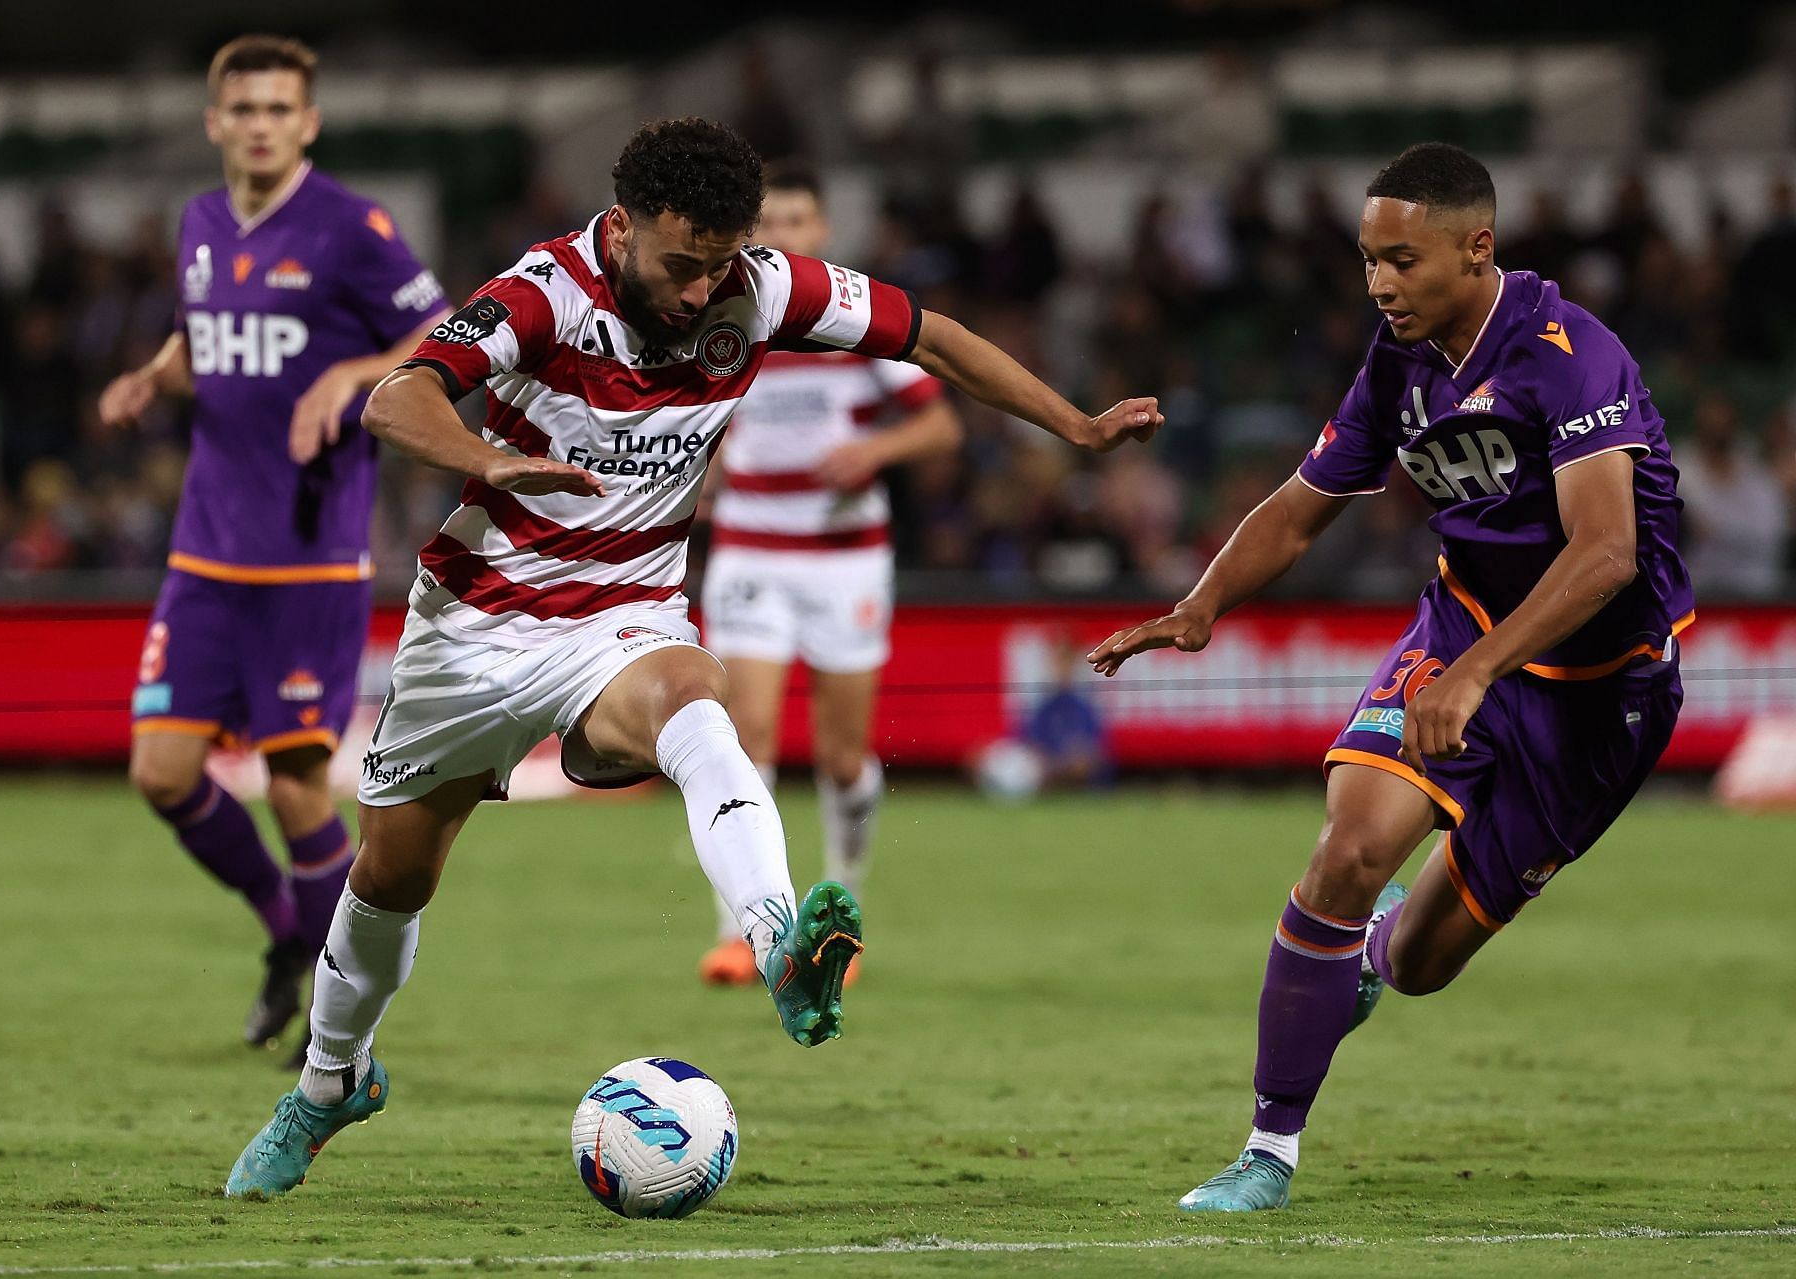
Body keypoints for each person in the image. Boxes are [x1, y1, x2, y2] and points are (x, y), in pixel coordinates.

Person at [225, 117, 1159, 1198]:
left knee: (696, 700)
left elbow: (935, 339)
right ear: (621, 228)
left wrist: (1076, 427)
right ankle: (332, 1082)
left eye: (718, 264)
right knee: (389, 878)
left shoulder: (761, 287)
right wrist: (492, 457)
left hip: (627, 613)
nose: (697, 292)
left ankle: (774, 943)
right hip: (478, 626)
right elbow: (399, 394)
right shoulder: (546, 293)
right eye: (679, 264)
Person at [1089, 143, 1693, 1211]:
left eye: (1401, 260)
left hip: (1609, 687)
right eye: (1369, 260)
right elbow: (1301, 504)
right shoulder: (1396, 360)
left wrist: (1479, 675)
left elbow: (1607, 554)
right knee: (1351, 844)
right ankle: (1268, 1151)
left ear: (1477, 248)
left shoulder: (1568, 353)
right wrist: (1202, 606)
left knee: (1419, 966)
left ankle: (1377, 953)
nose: (1379, 285)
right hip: (1464, 625)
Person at [98, 35, 449, 1059]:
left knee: (297, 788)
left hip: (308, 558)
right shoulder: (201, 221)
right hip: (205, 553)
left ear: (309, 122)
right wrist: (152, 377)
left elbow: (445, 333)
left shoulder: (352, 228)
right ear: (215, 122)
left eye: (277, 108)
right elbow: (198, 328)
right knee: (161, 774)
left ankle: (340, 1012)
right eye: (241, 108)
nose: (258, 124)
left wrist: (349, 381)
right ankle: (288, 932)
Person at [696, 162, 963, 985]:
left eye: (795, 221)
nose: (780, 235)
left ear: (822, 234)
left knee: (844, 758)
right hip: (749, 554)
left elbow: (942, 428)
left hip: (844, 564)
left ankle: (839, 916)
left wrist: (874, 450)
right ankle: (748, 931)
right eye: (765, 223)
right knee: (748, 743)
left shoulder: (860, 327)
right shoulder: (722, 325)